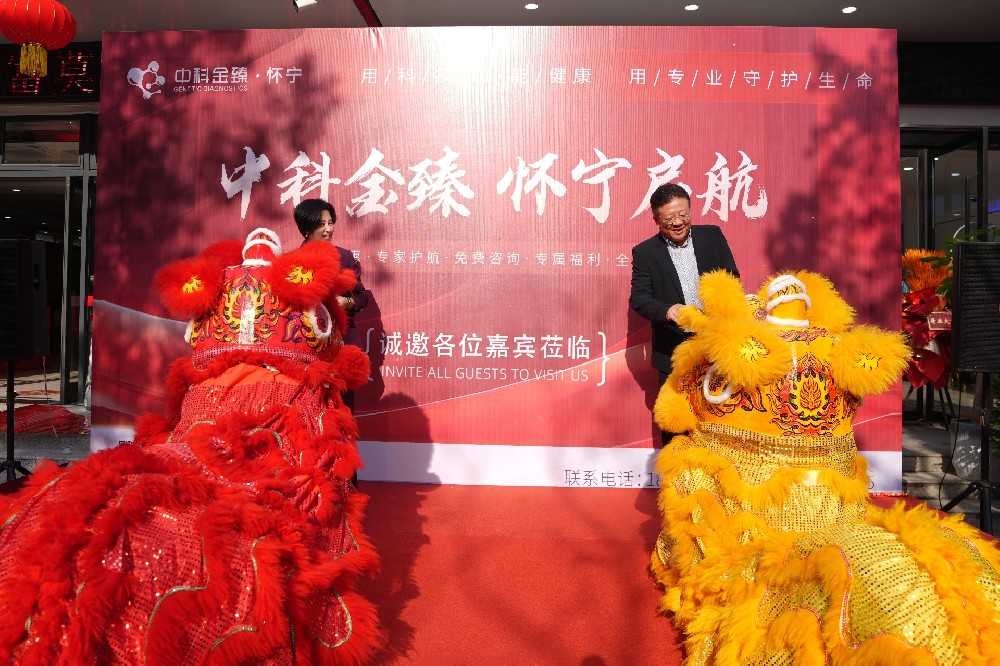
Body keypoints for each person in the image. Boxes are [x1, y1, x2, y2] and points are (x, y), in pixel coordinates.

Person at [0, 228, 379, 664]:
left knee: (113, 488)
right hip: (264, 417)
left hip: (200, 422)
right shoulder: (306, 379)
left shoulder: (212, 364)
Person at [651, 269, 1000, 664]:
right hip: (827, 492)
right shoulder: (834, 346)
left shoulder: (733, 341)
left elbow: (672, 415)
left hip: (758, 495)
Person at [629, 182, 739, 387]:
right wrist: (666, 310)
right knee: (675, 407)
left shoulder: (712, 236)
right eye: (670, 218)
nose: (678, 222)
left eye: (683, 214)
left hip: (717, 345)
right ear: (656, 220)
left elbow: (731, 276)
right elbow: (639, 298)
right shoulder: (645, 253)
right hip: (673, 351)